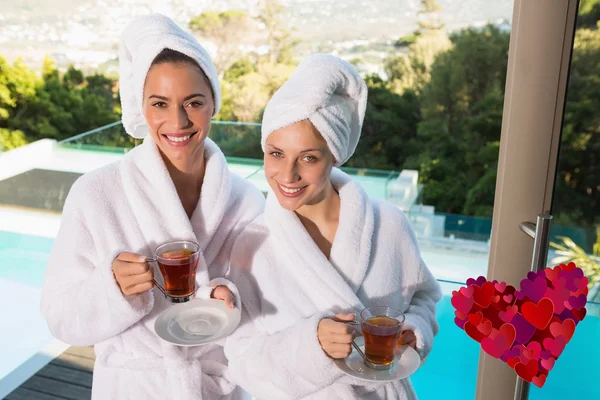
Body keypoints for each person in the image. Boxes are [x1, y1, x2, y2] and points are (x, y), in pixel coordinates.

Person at [40, 13, 264, 400]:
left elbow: (262, 303)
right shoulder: (96, 195)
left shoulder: (245, 201)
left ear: (213, 104)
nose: (177, 121)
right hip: (134, 388)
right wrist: (111, 290)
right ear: (142, 108)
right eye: (160, 103)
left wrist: (231, 296)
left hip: (218, 389)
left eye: (193, 102)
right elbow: (59, 317)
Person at [223, 54, 442, 399]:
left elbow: (424, 297)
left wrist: (415, 331)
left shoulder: (388, 226)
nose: (288, 174)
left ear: (334, 156)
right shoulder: (251, 245)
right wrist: (313, 346)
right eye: (275, 154)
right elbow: (242, 361)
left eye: (308, 158)